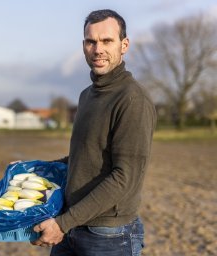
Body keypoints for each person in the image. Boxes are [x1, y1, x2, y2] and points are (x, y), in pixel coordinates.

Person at [30, 9, 157, 256]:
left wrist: (63, 223)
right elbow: (83, 160)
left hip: (109, 236)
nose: (98, 49)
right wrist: (33, 169)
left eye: (107, 41)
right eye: (91, 41)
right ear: (84, 46)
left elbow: (124, 177)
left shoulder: (132, 100)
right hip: (71, 225)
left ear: (124, 45)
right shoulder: (86, 96)